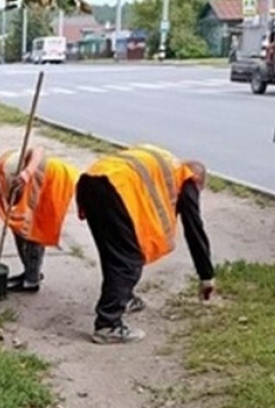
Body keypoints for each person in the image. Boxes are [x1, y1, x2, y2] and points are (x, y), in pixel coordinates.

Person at [75, 144, 215, 345]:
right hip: (114, 189)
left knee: (113, 252)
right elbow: (195, 229)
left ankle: (125, 299)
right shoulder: (186, 179)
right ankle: (108, 325)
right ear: (198, 181)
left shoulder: (165, 161)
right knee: (128, 260)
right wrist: (206, 277)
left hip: (90, 181)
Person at [0, 148, 80, 293]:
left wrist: (27, 172)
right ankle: (30, 272)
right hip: (37, 192)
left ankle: (31, 281)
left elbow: (37, 151)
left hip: (51, 178)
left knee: (30, 229)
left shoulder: (3, 168)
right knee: (18, 227)